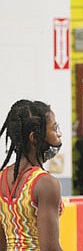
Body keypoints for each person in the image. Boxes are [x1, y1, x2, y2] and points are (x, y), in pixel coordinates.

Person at [0, 100, 63, 251]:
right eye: (54, 129)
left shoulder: (1, 178)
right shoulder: (46, 184)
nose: (59, 134)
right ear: (34, 137)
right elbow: (50, 248)